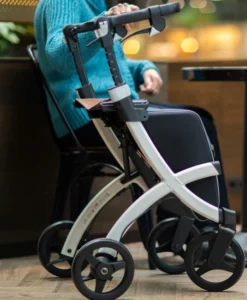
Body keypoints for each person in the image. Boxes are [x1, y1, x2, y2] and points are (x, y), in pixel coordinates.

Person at [34, 0, 229, 232]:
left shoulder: (92, 3)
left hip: (108, 109)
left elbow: (103, 63)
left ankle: (181, 229)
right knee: (194, 124)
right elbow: (60, 57)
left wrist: (144, 68)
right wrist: (104, 23)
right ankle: (203, 231)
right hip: (90, 116)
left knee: (198, 118)